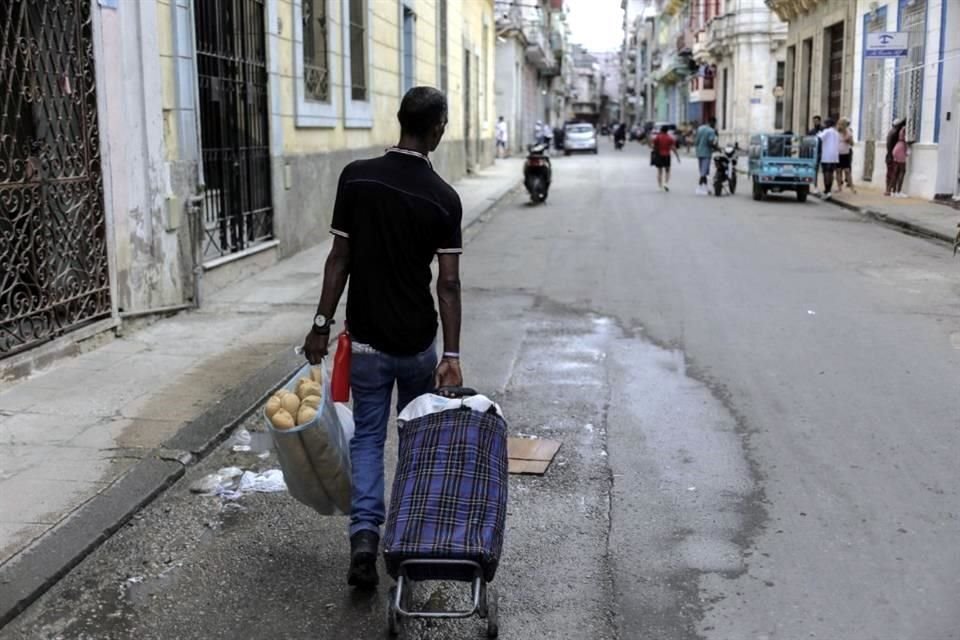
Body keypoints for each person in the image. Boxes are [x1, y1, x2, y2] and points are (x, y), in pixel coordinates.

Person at [301, 86, 464, 590]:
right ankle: (409, 540)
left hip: (366, 340)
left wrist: (322, 325)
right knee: (415, 441)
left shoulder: (357, 178)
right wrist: (452, 354)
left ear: (399, 121)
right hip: (417, 344)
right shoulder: (443, 199)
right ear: (437, 128)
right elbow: (449, 283)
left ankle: (365, 537)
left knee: (368, 439)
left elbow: (338, 260)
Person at [651, 124, 681, 191]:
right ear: (667, 131)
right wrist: (677, 157)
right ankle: (665, 183)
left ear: (661, 130)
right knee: (667, 171)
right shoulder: (670, 138)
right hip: (667, 156)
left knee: (659, 171)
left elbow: (653, 146)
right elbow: (673, 148)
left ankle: (660, 186)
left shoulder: (657, 137)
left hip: (659, 155)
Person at [817, 118, 840, 200]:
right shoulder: (836, 133)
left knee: (826, 173)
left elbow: (819, 137)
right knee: (831, 173)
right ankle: (829, 190)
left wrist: (819, 132)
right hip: (834, 156)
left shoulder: (827, 131)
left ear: (827, 124)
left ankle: (827, 190)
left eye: (825, 124)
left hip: (827, 155)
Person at [694, 117, 718, 195]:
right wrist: (716, 148)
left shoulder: (700, 129)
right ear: (712, 122)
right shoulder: (711, 131)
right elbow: (710, 142)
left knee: (703, 171)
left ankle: (706, 187)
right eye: (714, 124)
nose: (715, 125)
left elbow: (696, 141)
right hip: (706, 153)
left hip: (699, 152)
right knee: (704, 172)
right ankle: (699, 187)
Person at [884, 118, 906, 197]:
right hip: (892, 155)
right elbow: (889, 145)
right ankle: (889, 190)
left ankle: (890, 190)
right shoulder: (894, 132)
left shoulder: (892, 132)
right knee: (893, 173)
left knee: (893, 172)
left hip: (891, 154)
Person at [891, 121, 910, 198]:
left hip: (896, 147)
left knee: (895, 172)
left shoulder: (897, 130)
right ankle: (899, 192)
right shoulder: (904, 129)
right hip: (901, 149)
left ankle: (893, 191)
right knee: (902, 171)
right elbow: (906, 140)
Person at [837, 118, 855, 194]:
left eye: (842, 124)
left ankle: (852, 188)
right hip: (838, 154)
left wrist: (848, 140)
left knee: (847, 171)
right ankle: (839, 188)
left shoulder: (848, 132)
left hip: (846, 154)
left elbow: (852, 143)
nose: (840, 125)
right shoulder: (836, 132)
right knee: (838, 171)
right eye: (839, 124)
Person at [808, 115, 823, 194]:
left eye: (817, 121)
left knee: (825, 170)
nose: (815, 122)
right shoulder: (811, 131)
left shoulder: (824, 130)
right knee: (815, 170)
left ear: (820, 121)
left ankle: (825, 188)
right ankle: (815, 186)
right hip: (815, 153)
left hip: (823, 152)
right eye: (814, 121)